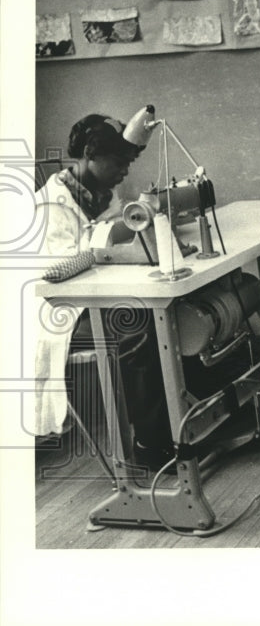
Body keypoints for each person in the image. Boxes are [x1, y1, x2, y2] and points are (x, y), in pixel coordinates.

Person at [34, 113, 174, 471]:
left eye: (129, 162)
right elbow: (61, 270)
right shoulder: (49, 205)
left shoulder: (103, 195)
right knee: (139, 327)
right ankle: (152, 445)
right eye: (119, 162)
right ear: (89, 155)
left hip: (94, 298)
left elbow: (110, 237)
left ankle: (185, 423)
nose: (125, 171)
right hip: (56, 312)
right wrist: (120, 251)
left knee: (170, 311)